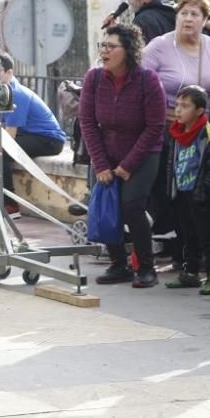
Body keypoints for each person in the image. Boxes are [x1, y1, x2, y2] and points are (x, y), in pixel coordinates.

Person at [79, 24, 166, 288]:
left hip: (144, 152)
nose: (104, 51)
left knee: (131, 206)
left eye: (111, 46)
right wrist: (101, 164)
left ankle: (146, 267)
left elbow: (155, 127)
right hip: (107, 151)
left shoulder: (147, 80)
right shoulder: (93, 79)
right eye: (102, 46)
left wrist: (128, 165)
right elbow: (87, 123)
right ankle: (119, 265)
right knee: (106, 203)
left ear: (127, 51)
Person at [142, 0, 210, 266]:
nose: (188, 19)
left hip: (205, 134)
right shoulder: (159, 47)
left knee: (202, 195)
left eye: (195, 14)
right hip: (167, 131)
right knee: (173, 192)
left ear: (205, 19)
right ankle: (180, 252)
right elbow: (141, 84)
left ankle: (203, 254)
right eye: (184, 13)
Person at [164, 85, 210, 294]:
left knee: (209, 238)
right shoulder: (176, 134)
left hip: (202, 195)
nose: (178, 110)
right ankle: (190, 272)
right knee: (188, 235)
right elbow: (173, 163)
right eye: (177, 105)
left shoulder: (208, 133)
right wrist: (172, 189)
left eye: (185, 106)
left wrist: (206, 190)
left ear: (199, 111)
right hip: (183, 192)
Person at [0, 52, 67, 219]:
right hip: (30, 135)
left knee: (1, 153)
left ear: (9, 73)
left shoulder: (15, 93)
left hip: (49, 140)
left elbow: (10, 136)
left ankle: (10, 205)